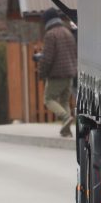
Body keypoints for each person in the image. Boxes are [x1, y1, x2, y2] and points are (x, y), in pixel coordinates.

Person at [38, 8, 78, 137]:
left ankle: (65, 117)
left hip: (57, 75)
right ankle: (66, 130)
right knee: (64, 101)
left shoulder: (51, 35)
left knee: (48, 99)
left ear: (47, 21)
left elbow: (47, 58)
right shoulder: (67, 32)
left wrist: (42, 73)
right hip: (70, 73)